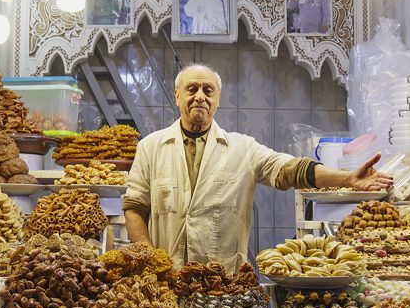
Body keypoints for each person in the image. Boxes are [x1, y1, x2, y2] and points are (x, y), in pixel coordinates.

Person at [122, 63, 393, 271]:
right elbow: (134, 207)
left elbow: (291, 169)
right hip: (167, 281)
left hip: (224, 284)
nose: (200, 97)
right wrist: (151, 262)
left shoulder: (243, 148)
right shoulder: (150, 147)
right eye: (192, 89)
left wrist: (347, 179)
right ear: (177, 95)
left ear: (218, 98)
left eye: (208, 90)